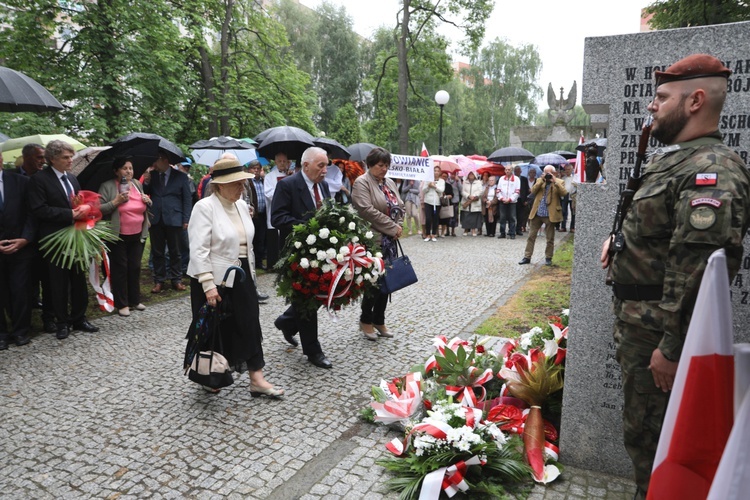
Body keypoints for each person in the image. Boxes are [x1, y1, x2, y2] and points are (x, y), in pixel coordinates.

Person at [599, 54, 750, 499]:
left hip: (661, 338)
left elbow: (702, 267)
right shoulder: (679, 159)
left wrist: (671, 346)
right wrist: (620, 243)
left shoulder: (712, 170)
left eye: (662, 97)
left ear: (695, 101)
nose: (651, 106)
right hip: (641, 326)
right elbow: (661, 233)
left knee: (658, 446)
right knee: (643, 436)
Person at [187, 158, 283, 397]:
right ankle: (211, 374)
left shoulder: (240, 205)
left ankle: (257, 378)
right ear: (219, 185)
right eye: (236, 183)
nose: (242, 187)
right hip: (213, 278)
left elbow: (246, 245)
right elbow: (198, 250)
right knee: (215, 328)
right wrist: (208, 285)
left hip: (241, 276)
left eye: (243, 182)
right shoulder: (204, 207)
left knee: (250, 323)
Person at [28, 140, 100, 339]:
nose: (70, 161)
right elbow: (39, 209)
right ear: (52, 159)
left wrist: (82, 207)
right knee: (57, 282)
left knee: (78, 278)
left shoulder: (72, 179)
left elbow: (78, 202)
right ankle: (61, 321)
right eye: (66, 158)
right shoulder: (39, 180)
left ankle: (79, 318)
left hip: (76, 236)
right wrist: (70, 213)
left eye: (71, 157)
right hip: (54, 239)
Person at [271, 147, 333, 369]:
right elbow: (278, 218)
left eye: (327, 165)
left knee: (316, 295)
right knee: (305, 299)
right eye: (321, 165)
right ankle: (313, 351)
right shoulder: (287, 185)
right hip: (296, 254)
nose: (325, 170)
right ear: (306, 166)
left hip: (321, 252)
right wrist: (309, 228)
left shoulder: (323, 185)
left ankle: (286, 321)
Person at [351, 147, 404, 341]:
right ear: (370, 165)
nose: (384, 169)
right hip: (373, 239)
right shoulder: (361, 183)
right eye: (381, 166)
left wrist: (398, 225)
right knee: (373, 282)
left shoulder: (389, 182)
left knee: (388, 282)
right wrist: (392, 227)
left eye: (387, 165)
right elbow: (366, 210)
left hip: (390, 240)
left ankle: (379, 319)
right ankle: (366, 320)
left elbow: (400, 205)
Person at [98, 157, 151, 317]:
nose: (128, 171)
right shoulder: (107, 186)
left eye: (130, 168)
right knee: (120, 269)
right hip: (117, 235)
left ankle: (135, 300)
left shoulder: (137, 183)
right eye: (124, 168)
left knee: (134, 267)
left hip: (137, 233)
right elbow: (98, 209)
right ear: (116, 171)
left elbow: (142, 206)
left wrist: (147, 201)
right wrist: (116, 201)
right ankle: (122, 303)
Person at [0, 150, 35, 349]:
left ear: (1, 158)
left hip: (20, 247)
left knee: (21, 290)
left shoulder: (20, 182)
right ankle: (2, 334)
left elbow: (31, 214)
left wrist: (25, 238)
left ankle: (21, 331)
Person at [142, 153, 192, 293]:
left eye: (156, 161)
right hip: (156, 218)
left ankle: (176, 279)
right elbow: (144, 193)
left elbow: (187, 199)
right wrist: (146, 182)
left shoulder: (180, 176)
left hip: (174, 218)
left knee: (175, 251)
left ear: (164, 160)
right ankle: (159, 280)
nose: (154, 164)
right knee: (157, 251)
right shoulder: (153, 176)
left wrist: (186, 219)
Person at [518, 165, 567, 266]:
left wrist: (554, 181)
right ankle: (527, 257)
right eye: (546, 173)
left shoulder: (559, 182)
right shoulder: (540, 181)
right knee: (531, 236)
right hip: (537, 213)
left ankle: (548, 257)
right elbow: (533, 191)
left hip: (550, 214)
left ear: (554, 173)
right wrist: (541, 180)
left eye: (550, 173)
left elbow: (564, 193)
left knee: (549, 238)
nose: (548, 175)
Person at [264, 152, 293, 270]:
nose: (282, 164)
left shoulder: (292, 176)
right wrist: (282, 194)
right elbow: (268, 193)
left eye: (284, 161)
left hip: (289, 212)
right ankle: (273, 264)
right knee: (274, 238)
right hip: (275, 210)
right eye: (280, 161)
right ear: (275, 162)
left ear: (288, 162)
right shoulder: (269, 176)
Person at [496, 165, 521, 239]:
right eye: (506, 169)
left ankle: (512, 233)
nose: (507, 171)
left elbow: (517, 191)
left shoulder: (516, 179)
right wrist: (501, 198)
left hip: (512, 202)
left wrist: (510, 199)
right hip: (502, 201)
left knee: (512, 217)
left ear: (512, 170)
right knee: (502, 217)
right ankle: (502, 233)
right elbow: (498, 190)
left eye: (509, 169)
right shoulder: (501, 179)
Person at [421, 165, 444, 241]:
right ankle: (428, 234)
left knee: (435, 218)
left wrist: (435, 187)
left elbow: (441, 190)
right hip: (428, 201)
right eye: (435, 170)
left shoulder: (441, 181)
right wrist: (428, 186)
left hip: (436, 201)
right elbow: (423, 190)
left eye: (438, 171)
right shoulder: (428, 180)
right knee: (428, 218)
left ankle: (433, 234)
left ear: (440, 172)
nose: (436, 172)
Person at [460, 171, 483, 236]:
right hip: (466, 201)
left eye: (472, 174)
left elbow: (481, 191)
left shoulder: (478, 182)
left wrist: (474, 196)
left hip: (475, 201)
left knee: (474, 216)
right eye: (469, 174)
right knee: (466, 216)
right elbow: (462, 191)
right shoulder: (465, 182)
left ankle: (473, 230)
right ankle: (466, 229)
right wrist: (468, 195)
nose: (471, 175)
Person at [560, 163, 576, 233]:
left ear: (572, 169)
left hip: (573, 197)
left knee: (573, 212)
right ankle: (563, 227)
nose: (567, 171)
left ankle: (572, 227)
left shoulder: (575, 178)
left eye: (569, 169)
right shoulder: (563, 178)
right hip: (565, 196)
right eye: (566, 170)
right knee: (563, 212)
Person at [437, 171, 453, 237]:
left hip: (445, 203)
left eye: (445, 176)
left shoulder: (448, 186)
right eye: (443, 176)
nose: (444, 178)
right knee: (436, 218)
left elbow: (452, 195)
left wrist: (445, 196)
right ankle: (437, 232)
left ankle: (443, 232)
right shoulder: (437, 183)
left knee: (444, 218)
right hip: (437, 202)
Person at [514, 166, 529, 236]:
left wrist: (526, 200)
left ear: (520, 171)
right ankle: (512, 229)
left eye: (518, 171)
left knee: (520, 215)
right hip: (513, 199)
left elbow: (527, 190)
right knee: (512, 215)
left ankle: (519, 229)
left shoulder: (524, 179)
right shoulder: (512, 179)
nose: (517, 172)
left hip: (521, 199)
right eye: (515, 171)